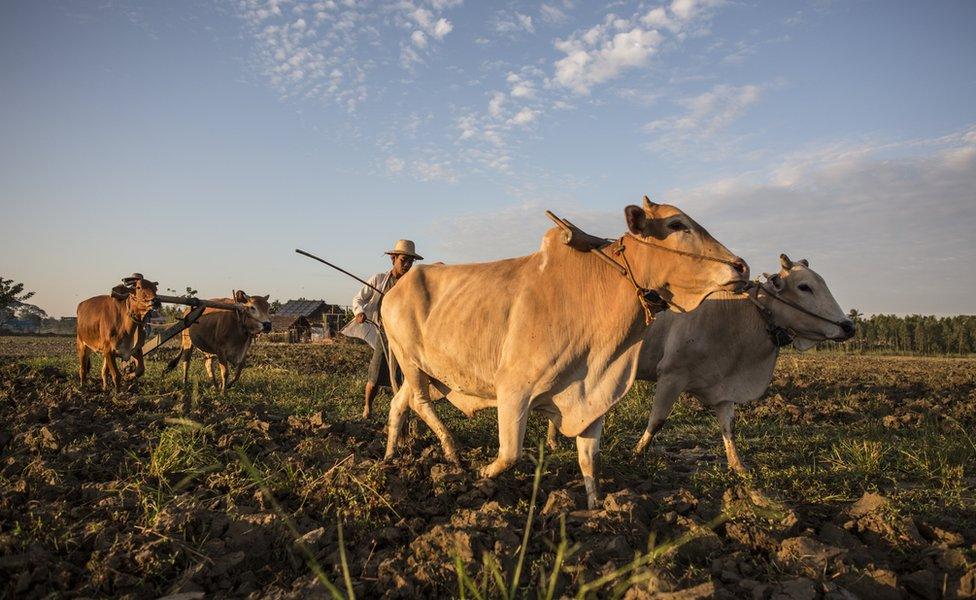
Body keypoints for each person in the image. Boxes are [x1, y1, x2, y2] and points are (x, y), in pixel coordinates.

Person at [340, 239, 423, 418]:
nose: (407, 265)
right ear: (393, 259)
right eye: (403, 260)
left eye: (410, 261)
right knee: (375, 375)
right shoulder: (379, 280)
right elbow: (358, 299)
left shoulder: (412, 283)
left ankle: (402, 414)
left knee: (404, 377)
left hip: (406, 336)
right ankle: (368, 408)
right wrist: (359, 312)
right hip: (385, 332)